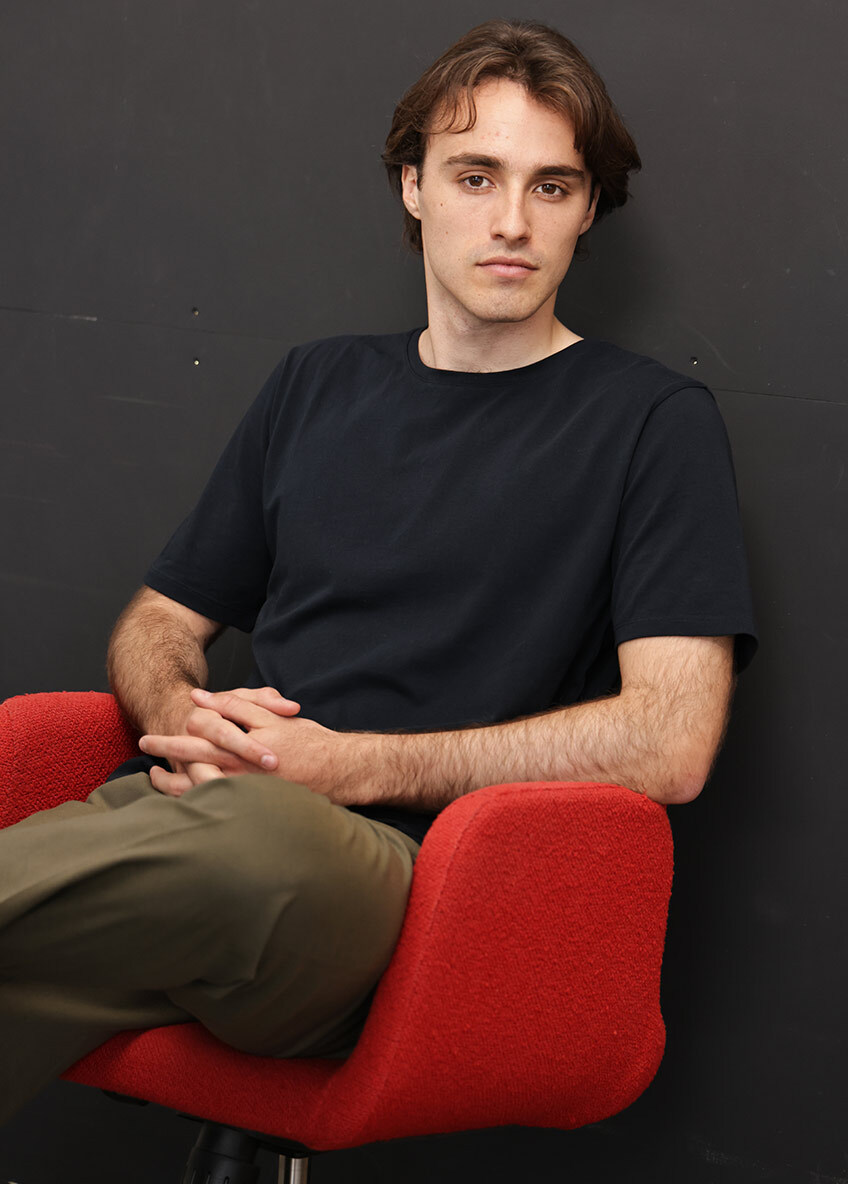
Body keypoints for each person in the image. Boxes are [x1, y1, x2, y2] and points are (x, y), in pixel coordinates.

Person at [0, 18, 757, 1124]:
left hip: (409, 886)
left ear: (588, 208)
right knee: (139, 889)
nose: (511, 221)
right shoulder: (315, 385)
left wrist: (343, 768)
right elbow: (158, 619)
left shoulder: (652, 422)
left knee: (259, 842)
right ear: (413, 186)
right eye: (474, 176)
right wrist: (179, 713)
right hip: (195, 827)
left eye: (551, 186)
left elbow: (671, 740)